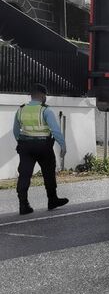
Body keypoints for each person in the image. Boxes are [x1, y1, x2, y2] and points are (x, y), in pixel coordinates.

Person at [12, 84, 68, 215]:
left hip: (26, 147)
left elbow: (15, 131)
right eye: (46, 96)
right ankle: (52, 200)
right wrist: (63, 145)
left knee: (24, 175)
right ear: (42, 96)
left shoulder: (21, 110)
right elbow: (55, 130)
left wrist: (22, 143)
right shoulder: (45, 110)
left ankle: (23, 205)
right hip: (44, 147)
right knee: (48, 173)